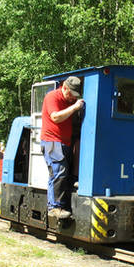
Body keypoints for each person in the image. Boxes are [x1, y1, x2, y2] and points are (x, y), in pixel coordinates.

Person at [40, 76, 84, 219]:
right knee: (58, 172)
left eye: (75, 96)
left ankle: (64, 205)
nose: (73, 98)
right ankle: (54, 207)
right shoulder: (52, 97)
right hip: (52, 141)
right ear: (64, 88)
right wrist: (75, 107)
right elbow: (55, 117)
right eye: (71, 94)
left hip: (65, 142)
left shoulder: (68, 100)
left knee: (67, 174)